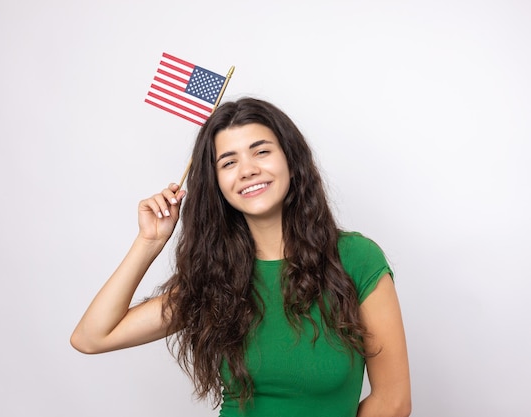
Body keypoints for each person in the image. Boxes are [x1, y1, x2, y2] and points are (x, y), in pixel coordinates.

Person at [71, 97, 411, 417]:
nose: (246, 170)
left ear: (291, 161)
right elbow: (91, 337)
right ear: (216, 182)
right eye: (229, 162)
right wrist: (149, 240)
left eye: (260, 151)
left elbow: (393, 402)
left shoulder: (354, 258)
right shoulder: (215, 277)